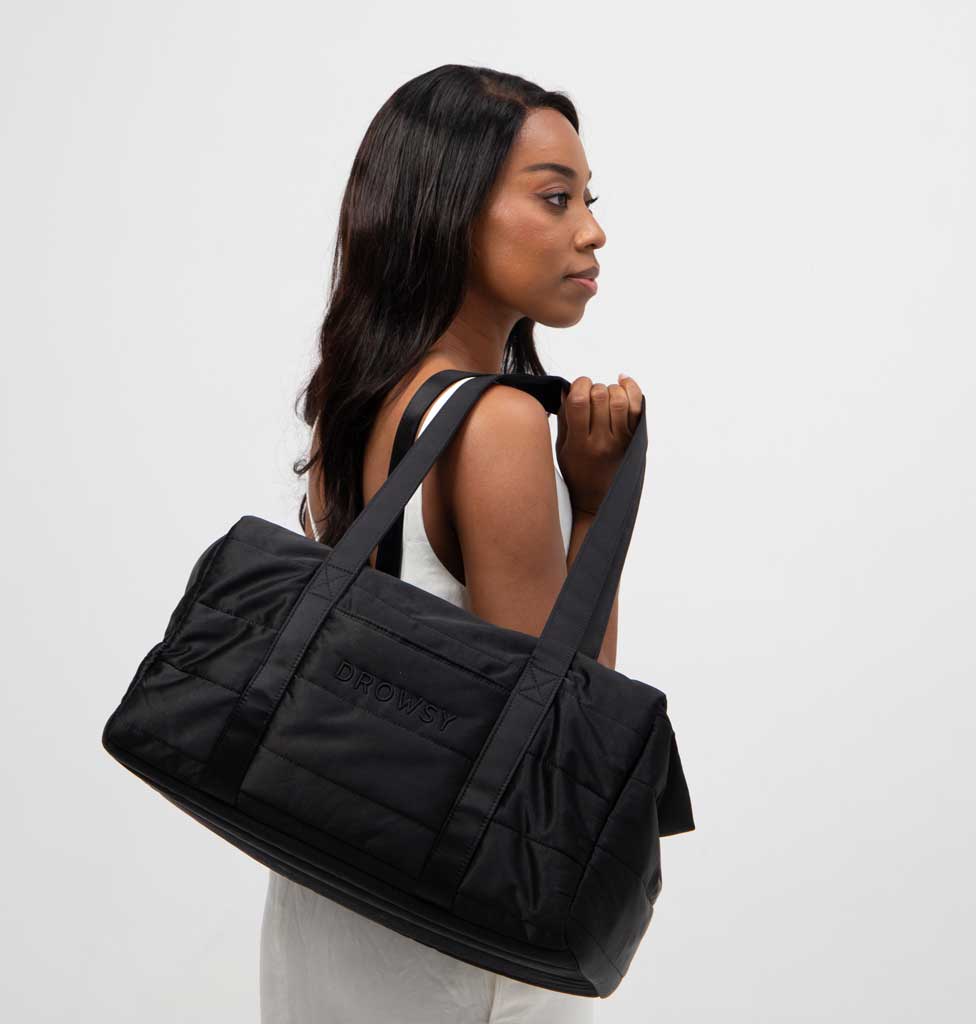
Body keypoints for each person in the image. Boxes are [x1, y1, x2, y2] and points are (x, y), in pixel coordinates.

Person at [260, 63, 643, 1024]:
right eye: (553, 199)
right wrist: (595, 508)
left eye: (587, 201)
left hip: (327, 896)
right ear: (451, 211)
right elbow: (558, 728)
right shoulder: (497, 424)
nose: (590, 231)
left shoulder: (356, 405)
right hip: (459, 932)